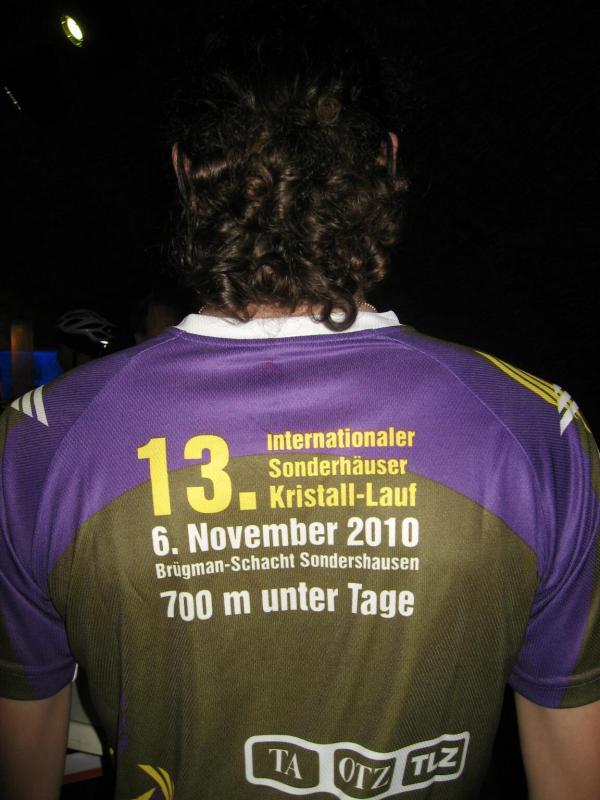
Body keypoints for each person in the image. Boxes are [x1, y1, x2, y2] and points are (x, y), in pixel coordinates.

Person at [1, 2, 599, 799]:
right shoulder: (538, 433)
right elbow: (570, 769)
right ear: (384, 164)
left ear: (184, 174)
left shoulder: (41, 444)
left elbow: (25, 762)